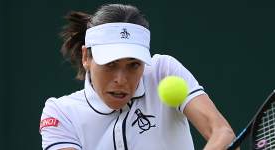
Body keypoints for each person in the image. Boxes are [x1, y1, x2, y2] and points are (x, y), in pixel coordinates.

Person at [39, 4, 236, 150]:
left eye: (133, 65)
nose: (121, 79)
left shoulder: (163, 71)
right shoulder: (60, 113)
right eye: (110, 64)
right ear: (86, 57)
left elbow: (222, 133)